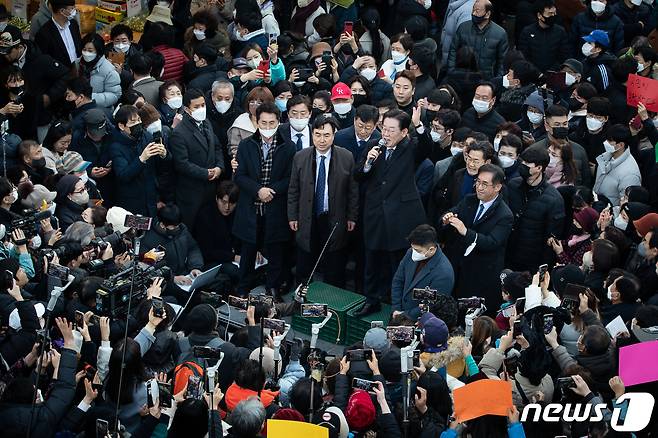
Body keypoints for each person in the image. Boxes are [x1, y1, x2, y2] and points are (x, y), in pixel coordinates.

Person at [353, 108, 433, 317]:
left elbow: (427, 147)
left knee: (398, 263)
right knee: (372, 259)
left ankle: (398, 305)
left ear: (404, 132)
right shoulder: (373, 145)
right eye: (383, 129)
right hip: (375, 213)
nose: (385, 134)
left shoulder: (411, 146)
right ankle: (371, 300)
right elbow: (358, 174)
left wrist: (420, 125)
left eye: (391, 130)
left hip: (401, 216)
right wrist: (369, 163)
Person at [233, 102, 295, 299]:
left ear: (279, 122)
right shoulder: (246, 145)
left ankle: (272, 288)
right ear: (256, 122)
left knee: (276, 251)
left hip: (275, 208)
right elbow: (240, 176)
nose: (267, 127)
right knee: (248, 251)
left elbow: (290, 178)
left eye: (271, 123)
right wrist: (258, 190)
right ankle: (242, 288)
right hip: (251, 208)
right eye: (263, 123)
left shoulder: (288, 147)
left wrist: (272, 190)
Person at [288, 115, 358, 288]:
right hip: (307, 216)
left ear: (334, 135)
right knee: (305, 262)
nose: (322, 139)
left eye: (326, 135)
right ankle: (302, 299)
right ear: (312, 134)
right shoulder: (300, 156)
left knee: (334, 263)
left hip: (335, 217)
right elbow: (293, 189)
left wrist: (352, 216)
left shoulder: (346, 156)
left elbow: (353, 191)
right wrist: (292, 216)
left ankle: (333, 301)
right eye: (318, 134)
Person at [441, 164, 514, 307]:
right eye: (478, 182)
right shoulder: (470, 200)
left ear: (497, 187)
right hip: (459, 264)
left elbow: (492, 242)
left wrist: (466, 232)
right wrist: (446, 218)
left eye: (485, 184)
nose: (479, 187)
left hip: (481, 271)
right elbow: (452, 212)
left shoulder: (505, 215)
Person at [170, 88, 225, 228]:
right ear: (187, 109)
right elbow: (182, 164)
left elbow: (217, 147)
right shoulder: (179, 133)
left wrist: (219, 167)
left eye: (203, 105)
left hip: (210, 190)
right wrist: (205, 173)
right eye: (196, 107)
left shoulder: (206, 123)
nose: (201, 109)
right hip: (192, 193)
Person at [506, 144, 566, 271]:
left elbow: (551, 239)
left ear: (539, 168)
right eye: (522, 161)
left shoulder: (554, 200)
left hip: (532, 261)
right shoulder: (512, 186)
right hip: (508, 253)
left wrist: (542, 270)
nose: (522, 165)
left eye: (527, 163)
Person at [109, 104, 167, 216]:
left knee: (152, 228)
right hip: (132, 203)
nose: (138, 124)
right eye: (133, 122)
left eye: (139, 120)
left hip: (151, 197)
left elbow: (160, 167)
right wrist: (141, 159)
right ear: (122, 126)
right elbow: (123, 175)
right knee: (137, 231)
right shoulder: (116, 147)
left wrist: (164, 154)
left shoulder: (146, 136)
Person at [530, 104, 591, 187]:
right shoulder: (536, 150)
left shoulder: (579, 150)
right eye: (557, 124)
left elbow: (586, 181)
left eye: (565, 124)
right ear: (547, 126)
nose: (562, 127)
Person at [447, 0, 509, 79]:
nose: (473, 13)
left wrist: (495, 82)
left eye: (477, 11)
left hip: (486, 80)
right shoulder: (463, 27)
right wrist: (451, 72)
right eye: (473, 10)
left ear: (487, 14)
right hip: (463, 77)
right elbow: (453, 50)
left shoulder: (500, 34)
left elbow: (502, 62)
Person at [593, 124, 641, 207]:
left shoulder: (630, 174)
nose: (606, 143)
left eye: (610, 141)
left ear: (621, 145)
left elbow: (626, 206)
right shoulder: (606, 156)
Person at [518, 0, 571, 72]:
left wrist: (552, 70)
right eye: (550, 14)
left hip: (554, 74)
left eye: (554, 13)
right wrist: (536, 73)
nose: (553, 16)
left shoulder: (560, 31)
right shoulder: (527, 32)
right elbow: (523, 56)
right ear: (539, 15)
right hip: (532, 74)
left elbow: (564, 55)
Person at [77, 33, 121, 108]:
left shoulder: (109, 70)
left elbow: (114, 95)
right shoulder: (77, 64)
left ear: (98, 52)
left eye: (90, 51)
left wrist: (89, 98)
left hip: (98, 109)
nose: (86, 53)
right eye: (84, 50)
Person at [34, 0, 82, 69]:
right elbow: (44, 63)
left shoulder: (73, 24)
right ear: (62, 11)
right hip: (60, 76)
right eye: (72, 8)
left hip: (78, 72)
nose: (75, 11)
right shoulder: (43, 34)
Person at [441, 0, 476, 65]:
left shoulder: (468, 10)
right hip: (448, 59)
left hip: (454, 64)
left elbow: (464, 45)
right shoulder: (456, 4)